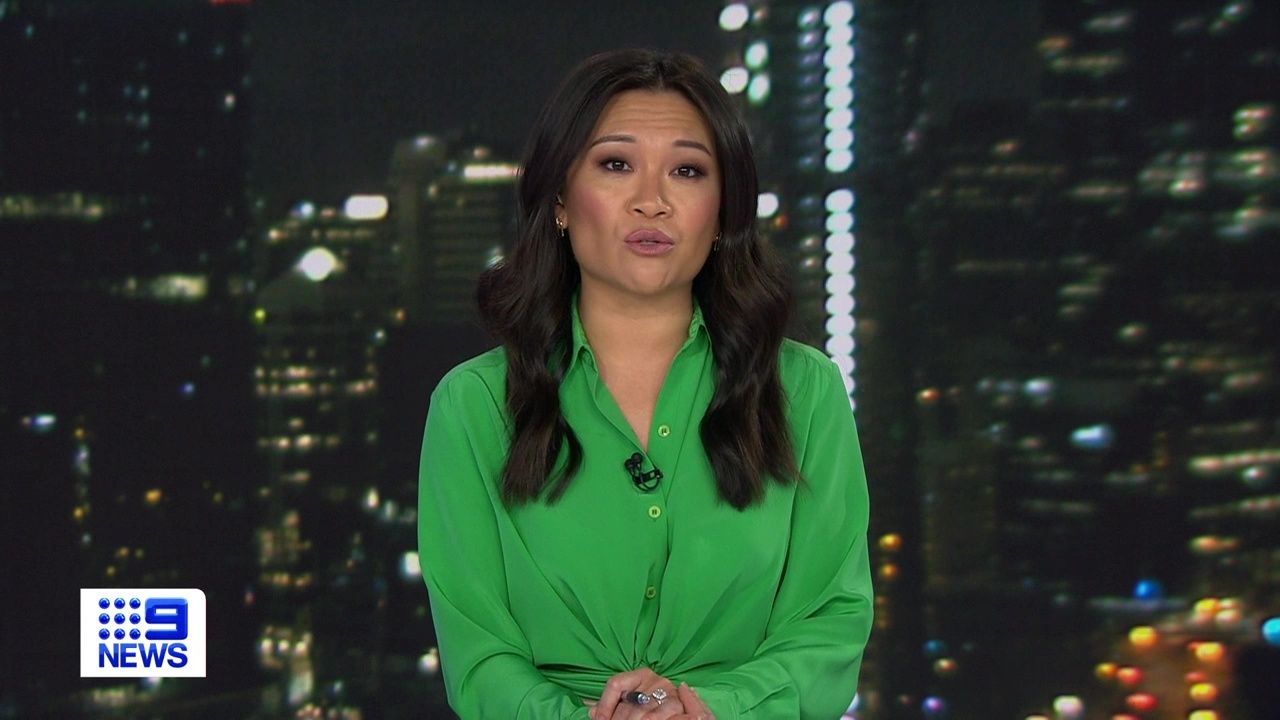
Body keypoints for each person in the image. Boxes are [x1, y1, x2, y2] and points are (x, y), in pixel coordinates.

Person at [418, 48, 873, 720]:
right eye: (616, 164)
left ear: (722, 211)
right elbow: (478, 652)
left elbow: (830, 622)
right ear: (560, 200)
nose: (652, 202)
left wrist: (706, 709)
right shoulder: (473, 405)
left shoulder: (805, 391)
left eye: (687, 171)